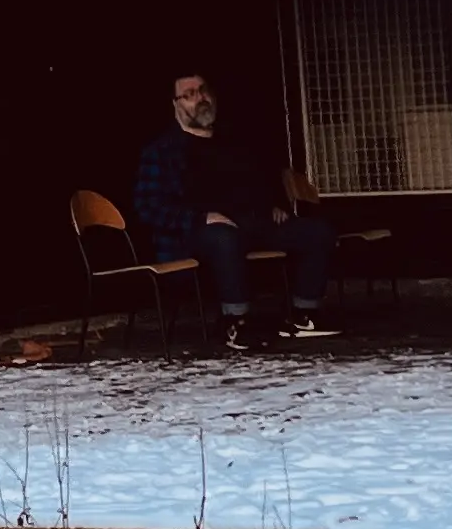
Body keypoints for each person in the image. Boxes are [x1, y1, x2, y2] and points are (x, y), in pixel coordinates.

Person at [132, 71, 337, 349]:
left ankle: (304, 315)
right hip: (194, 233)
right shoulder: (162, 151)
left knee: (317, 231)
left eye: (203, 91)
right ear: (175, 105)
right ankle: (235, 323)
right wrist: (202, 217)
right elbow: (148, 207)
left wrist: (272, 205)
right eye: (189, 95)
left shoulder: (232, 140)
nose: (200, 99)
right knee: (224, 237)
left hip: (251, 223)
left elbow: (255, 182)